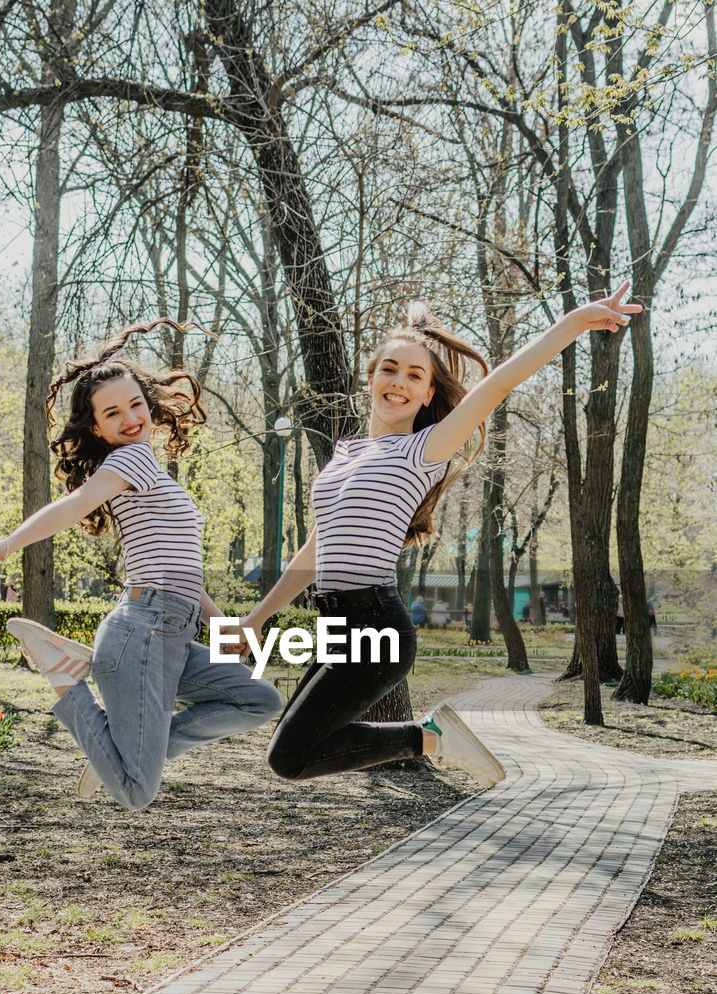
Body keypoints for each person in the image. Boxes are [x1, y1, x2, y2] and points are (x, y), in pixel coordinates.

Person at [233, 284, 640, 786]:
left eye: (414, 374)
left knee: (291, 757)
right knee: (289, 752)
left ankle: (431, 739)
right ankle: (428, 736)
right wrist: (257, 618)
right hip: (337, 623)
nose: (398, 381)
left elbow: (498, 385)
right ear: (371, 378)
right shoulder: (347, 453)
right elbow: (317, 548)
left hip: (375, 621)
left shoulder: (426, 448)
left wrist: (574, 323)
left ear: (428, 393)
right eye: (389, 369)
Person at [0, 320, 282, 809]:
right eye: (112, 413)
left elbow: (180, 573)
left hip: (169, 633)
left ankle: (113, 750)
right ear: (96, 428)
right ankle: (69, 683)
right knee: (137, 791)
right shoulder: (127, 462)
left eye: (136, 405)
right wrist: (9, 544)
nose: (130, 418)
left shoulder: (148, 469)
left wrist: (223, 628)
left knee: (258, 701)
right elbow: (73, 505)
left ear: (149, 406)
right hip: (146, 630)